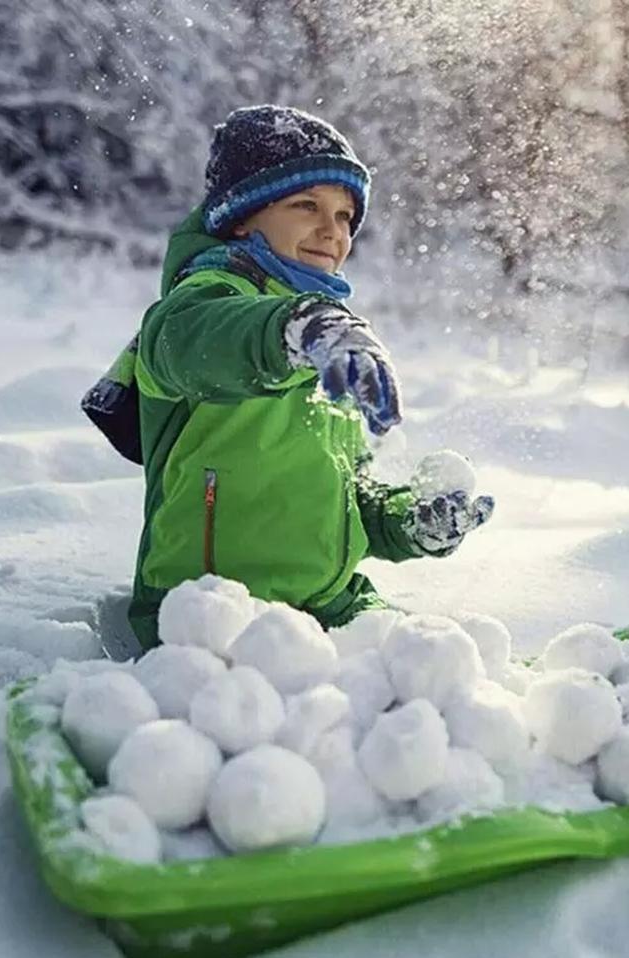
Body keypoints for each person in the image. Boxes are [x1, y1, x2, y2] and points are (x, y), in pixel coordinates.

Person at [121, 105, 494, 650]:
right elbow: (199, 342)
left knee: (444, 672)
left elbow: (345, 494)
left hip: (331, 604)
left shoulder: (330, 346)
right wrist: (300, 329)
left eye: (345, 216)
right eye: (306, 206)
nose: (332, 230)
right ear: (242, 217)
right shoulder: (201, 307)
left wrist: (408, 522)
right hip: (209, 614)